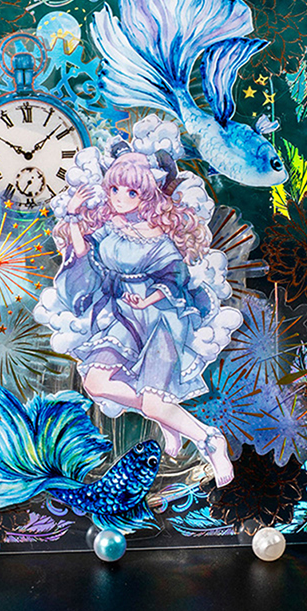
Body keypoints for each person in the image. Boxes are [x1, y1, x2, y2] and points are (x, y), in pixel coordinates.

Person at [38, 144, 237, 487]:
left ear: (145, 195)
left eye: (130, 192)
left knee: (154, 404)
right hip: (123, 317)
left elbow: (175, 278)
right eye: (114, 189)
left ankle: (209, 438)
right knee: (95, 383)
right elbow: (83, 255)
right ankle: (164, 415)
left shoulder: (158, 238)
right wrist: (71, 217)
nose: (119, 198)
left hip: (159, 320)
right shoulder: (109, 226)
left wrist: (148, 300)